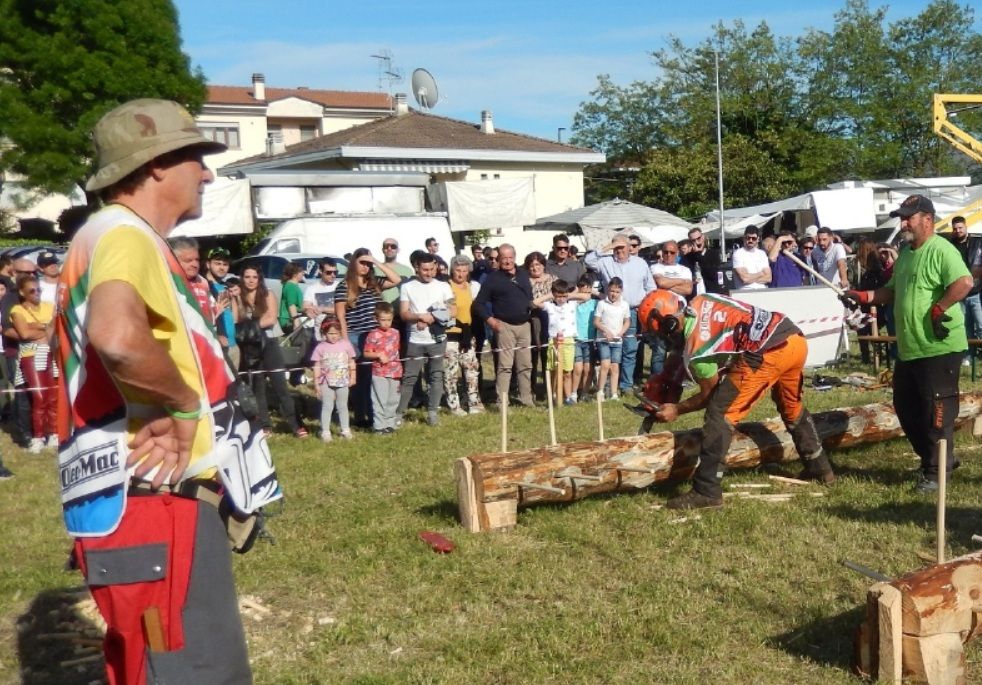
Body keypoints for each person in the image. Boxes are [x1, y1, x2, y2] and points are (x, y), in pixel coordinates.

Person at [55, 98, 276, 684]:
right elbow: (117, 335)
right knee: (192, 670)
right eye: (195, 158)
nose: (206, 173)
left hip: (144, 502)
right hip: (155, 501)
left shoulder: (110, 236)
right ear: (154, 165)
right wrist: (180, 401)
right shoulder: (124, 235)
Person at [640, 289, 835, 510]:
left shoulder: (697, 349)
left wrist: (677, 409)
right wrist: (668, 379)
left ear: (669, 325)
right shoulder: (702, 299)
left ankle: (707, 490)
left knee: (719, 414)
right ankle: (820, 469)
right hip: (793, 338)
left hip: (766, 352)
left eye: (661, 334)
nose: (663, 341)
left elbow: (708, 394)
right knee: (791, 407)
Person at [842, 195, 972, 492]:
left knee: (936, 413)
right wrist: (861, 296)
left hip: (940, 347)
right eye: (901, 218)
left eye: (908, 218)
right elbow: (889, 292)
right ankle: (938, 459)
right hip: (911, 347)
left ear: (927, 219)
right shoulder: (906, 253)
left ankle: (935, 472)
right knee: (905, 406)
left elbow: (964, 282)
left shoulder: (942, 249)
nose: (902, 223)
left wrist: (939, 307)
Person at [238, 263, 308, 438]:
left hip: (268, 342)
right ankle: (264, 425)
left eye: (254, 277)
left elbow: (270, 319)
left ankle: (296, 424)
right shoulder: (238, 296)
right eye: (247, 277)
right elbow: (234, 320)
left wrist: (248, 327)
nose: (251, 280)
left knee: (280, 385)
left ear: (259, 278)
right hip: (249, 346)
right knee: (257, 386)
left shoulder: (268, 293)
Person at [334, 247, 402, 426]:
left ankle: (375, 415)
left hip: (376, 335)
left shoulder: (374, 283)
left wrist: (377, 263)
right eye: (362, 263)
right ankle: (360, 414)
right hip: (355, 335)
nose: (365, 267)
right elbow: (340, 315)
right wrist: (345, 339)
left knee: (375, 377)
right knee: (360, 378)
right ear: (353, 263)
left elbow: (396, 279)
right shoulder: (344, 286)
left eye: (367, 264)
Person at [583, 234, 656, 395]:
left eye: (622, 247)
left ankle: (626, 384)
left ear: (629, 247)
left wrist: (646, 307)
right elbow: (588, 261)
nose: (619, 250)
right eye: (616, 247)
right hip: (610, 310)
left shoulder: (640, 263)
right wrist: (608, 247)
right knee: (609, 349)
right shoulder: (605, 261)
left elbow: (651, 287)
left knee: (629, 349)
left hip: (632, 310)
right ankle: (609, 385)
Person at [396, 252, 456, 426]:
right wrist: (420, 317)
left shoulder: (444, 286)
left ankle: (432, 412)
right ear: (417, 268)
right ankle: (399, 413)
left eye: (432, 269)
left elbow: (453, 310)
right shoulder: (407, 287)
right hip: (416, 340)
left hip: (437, 339)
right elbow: (404, 313)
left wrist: (432, 317)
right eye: (425, 270)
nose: (429, 273)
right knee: (409, 377)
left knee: (436, 376)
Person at [474, 244, 534, 407]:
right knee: (505, 366)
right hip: (505, 326)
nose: (507, 261)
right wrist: (491, 321)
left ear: (515, 257)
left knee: (525, 365)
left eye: (510, 257)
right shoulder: (493, 279)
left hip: (524, 325)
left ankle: (527, 399)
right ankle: (502, 401)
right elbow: (478, 304)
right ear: (499, 259)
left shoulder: (523, 274)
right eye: (503, 258)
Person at [10, 273, 57, 453]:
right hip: (31, 355)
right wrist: (46, 328)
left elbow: (55, 330)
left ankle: (52, 433)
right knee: (39, 397)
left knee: (52, 396)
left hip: (49, 352)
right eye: (32, 291)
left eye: (39, 289)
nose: (36, 293)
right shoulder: (17, 310)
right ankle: (38, 437)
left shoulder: (49, 306)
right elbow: (24, 334)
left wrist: (38, 328)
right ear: (22, 293)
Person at [444, 255, 485, 416]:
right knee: (451, 372)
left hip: (469, 334)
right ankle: (454, 405)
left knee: (471, 370)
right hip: (452, 334)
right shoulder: (446, 287)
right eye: (457, 270)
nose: (461, 274)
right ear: (452, 271)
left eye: (464, 270)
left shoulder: (473, 287)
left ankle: (474, 402)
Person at [649, 241, 693, 375]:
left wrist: (667, 283)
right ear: (661, 252)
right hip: (661, 312)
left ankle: (677, 377)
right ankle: (657, 379)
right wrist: (681, 281)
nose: (668, 255)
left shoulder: (685, 270)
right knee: (659, 349)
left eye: (672, 252)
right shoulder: (655, 267)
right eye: (665, 252)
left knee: (680, 347)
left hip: (680, 312)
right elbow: (660, 283)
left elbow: (688, 289)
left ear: (677, 253)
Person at [534, 278, 581, 405]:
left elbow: (586, 297)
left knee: (567, 371)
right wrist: (550, 295)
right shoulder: (549, 306)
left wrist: (569, 294)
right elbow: (536, 301)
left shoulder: (571, 304)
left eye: (563, 296)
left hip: (568, 340)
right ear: (554, 295)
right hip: (553, 341)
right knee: (554, 370)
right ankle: (553, 395)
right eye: (558, 296)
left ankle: (568, 397)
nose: (561, 299)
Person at [312, 317, 357, 441]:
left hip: (343, 381)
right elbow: (316, 366)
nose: (334, 336)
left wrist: (353, 376)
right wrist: (316, 383)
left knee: (342, 406)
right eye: (330, 333)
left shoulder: (346, 345)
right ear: (324, 333)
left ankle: (345, 430)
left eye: (336, 333)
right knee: (327, 406)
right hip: (326, 382)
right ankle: (325, 432)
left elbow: (351, 361)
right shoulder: (320, 347)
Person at [362, 302, 402, 433]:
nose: (386, 323)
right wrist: (378, 354)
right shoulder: (373, 334)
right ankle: (379, 426)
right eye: (383, 320)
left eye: (389, 320)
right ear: (376, 319)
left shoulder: (396, 333)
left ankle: (390, 423)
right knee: (380, 399)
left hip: (395, 370)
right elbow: (366, 353)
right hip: (379, 372)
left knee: (393, 399)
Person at [947, 216, 982, 364]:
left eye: (960, 227)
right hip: (959, 293)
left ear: (966, 227)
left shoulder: (977, 243)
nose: (958, 230)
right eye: (955, 228)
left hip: (975, 292)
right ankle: (968, 356)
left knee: (981, 325)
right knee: (965, 327)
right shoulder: (949, 246)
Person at [524, 251, 556, 399]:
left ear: (543, 265)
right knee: (532, 355)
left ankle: (548, 388)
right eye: (531, 265)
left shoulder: (553, 280)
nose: (535, 268)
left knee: (547, 354)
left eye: (537, 264)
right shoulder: (525, 281)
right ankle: (531, 389)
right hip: (531, 320)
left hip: (550, 319)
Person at [593, 277, 630, 401]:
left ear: (621, 292)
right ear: (608, 290)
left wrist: (621, 332)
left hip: (617, 341)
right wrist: (605, 330)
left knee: (615, 366)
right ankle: (600, 391)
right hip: (603, 340)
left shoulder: (624, 305)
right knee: (605, 365)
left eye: (617, 292)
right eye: (612, 291)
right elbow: (596, 321)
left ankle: (614, 393)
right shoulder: (602, 304)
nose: (614, 294)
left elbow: (627, 321)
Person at [853, 238, 889, 365]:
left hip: (875, 303)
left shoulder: (876, 267)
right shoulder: (862, 266)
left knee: (867, 329)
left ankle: (872, 356)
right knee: (864, 329)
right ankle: (870, 356)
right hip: (868, 303)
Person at [205, 247, 239, 369]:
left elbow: (235, 319)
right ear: (208, 264)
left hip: (232, 344)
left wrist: (235, 298)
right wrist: (217, 335)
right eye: (217, 263)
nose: (222, 267)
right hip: (216, 344)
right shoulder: (203, 286)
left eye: (225, 264)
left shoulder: (226, 287)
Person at [572, 274, 599, 402]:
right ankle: (573, 393)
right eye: (583, 289)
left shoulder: (595, 303)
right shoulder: (573, 304)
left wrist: (593, 291)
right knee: (578, 369)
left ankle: (584, 393)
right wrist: (577, 292)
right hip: (577, 340)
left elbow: (604, 297)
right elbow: (571, 296)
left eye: (589, 289)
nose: (586, 293)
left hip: (589, 341)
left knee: (588, 369)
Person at [682, 227, 723, 296]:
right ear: (690, 242)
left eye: (698, 238)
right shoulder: (687, 257)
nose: (697, 242)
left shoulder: (713, 254)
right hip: (694, 294)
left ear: (703, 237)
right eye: (693, 240)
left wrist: (699, 255)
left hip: (711, 292)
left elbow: (713, 274)